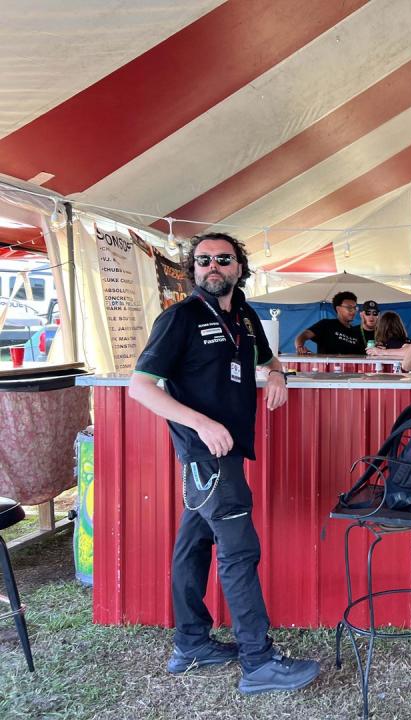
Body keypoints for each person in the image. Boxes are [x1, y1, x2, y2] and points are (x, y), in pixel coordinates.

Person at [129, 232, 320, 695]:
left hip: (225, 454)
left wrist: (277, 373)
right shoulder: (181, 317)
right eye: (203, 260)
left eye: (223, 259)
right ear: (193, 268)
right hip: (206, 455)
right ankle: (258, 662)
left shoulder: (245, 315)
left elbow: (270, 357)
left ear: (239, 267)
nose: (213, 266)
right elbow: (141, 386)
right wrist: (202, 425)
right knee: (239, 552)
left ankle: (191, 643)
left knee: (193, 546)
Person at [294, 291, 363, 354]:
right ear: (338, 309)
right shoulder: (326, 324)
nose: (353, 311)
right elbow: (304, 335)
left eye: (355, 308)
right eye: (349, 308)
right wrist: (300, 347)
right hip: (327, 367)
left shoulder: (356, 331)